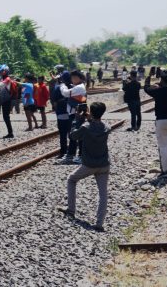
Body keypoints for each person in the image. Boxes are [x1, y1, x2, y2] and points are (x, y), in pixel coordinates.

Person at [61, 101, 111, 231]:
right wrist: (91, 118)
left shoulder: (85, 127)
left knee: (71, 179)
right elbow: (97, 125)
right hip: (104, 164)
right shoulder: (106, 127)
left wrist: (76, 120)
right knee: (103, 193)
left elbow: (73, 136)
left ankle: (71, 210)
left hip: (89, 164)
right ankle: (99, 223)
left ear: (92, 112)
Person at [144, 71, 167, 174]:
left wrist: (149, 76)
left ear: (161, 79)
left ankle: (166, 170)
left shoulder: (158, 91)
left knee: (164, 146)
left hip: (162, 121)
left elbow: (146, 88)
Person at [53, 72, 73, 161]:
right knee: (72, 134)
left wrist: (57, 111)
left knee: (63, 134)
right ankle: (72, 152)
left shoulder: (58, 88)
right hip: (72, 114)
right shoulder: (73, 87)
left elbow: (54, 102)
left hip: (61, 114)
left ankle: (63, 152)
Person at [0, 65, 15, 139]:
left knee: (6, 117)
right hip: (5, 100)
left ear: (5, 71)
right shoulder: (4, 78)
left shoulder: (7, 79)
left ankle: (10, 133)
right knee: (5, 117)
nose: (0, 73)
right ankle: (10, 132)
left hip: (7, 100)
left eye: (1, 71)